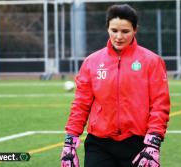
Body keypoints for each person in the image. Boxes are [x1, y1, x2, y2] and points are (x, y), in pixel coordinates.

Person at [61, 4, 170, 167]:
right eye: (114, 30)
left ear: (135, 30)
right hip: (99, 144)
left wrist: (153, 142)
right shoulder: (92, 62)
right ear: (107, 29)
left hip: (138, 143)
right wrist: (70, 141)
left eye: (125, 31)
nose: (119, 36)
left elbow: (159, 104)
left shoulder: (152, 61)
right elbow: (81, 104)